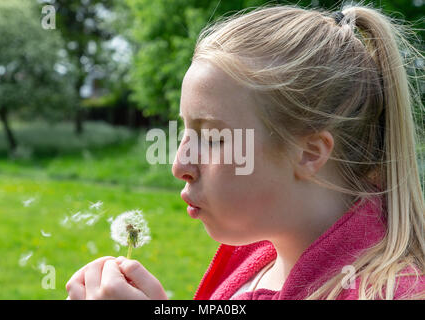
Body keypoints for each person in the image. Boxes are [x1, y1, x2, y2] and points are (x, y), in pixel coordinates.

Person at [66, 3, 424, 300]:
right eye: (186, 131)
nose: (179, 164)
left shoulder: (394, 293)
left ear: (310, 152)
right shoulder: (254, 264)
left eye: (213, 138)